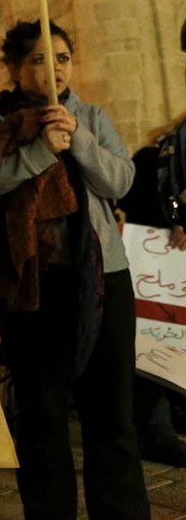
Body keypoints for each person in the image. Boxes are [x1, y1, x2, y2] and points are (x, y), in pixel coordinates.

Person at [0, 20, 149, 518]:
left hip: (102, 280)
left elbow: (121, 182)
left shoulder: (89, 114)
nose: (54, 68)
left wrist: (78, 138)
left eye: (62, 57)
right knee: (42, 417)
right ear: (17, 67)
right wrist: (40, 150)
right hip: (30, 285)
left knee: (111, 415)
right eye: (41, 59)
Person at [119, 113, 186, 467]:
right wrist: (173, 222)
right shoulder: (151, 160)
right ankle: (156, 431)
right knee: (155, 342)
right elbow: (132, 202)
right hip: (160, 273)